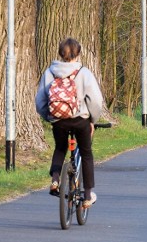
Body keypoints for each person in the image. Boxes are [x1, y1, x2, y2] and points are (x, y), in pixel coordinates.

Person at [35, 37, 104, 208]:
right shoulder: (84, 73)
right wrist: (93, 120)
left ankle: (55, 179)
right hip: (80, 121)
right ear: (78, 53)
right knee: (86, 154)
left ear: (60, 53)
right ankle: (88, 195)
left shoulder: (49, 72)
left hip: (59, 122)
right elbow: (95, 101)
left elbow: (40, 102)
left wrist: (50, 117)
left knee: (60, 148)